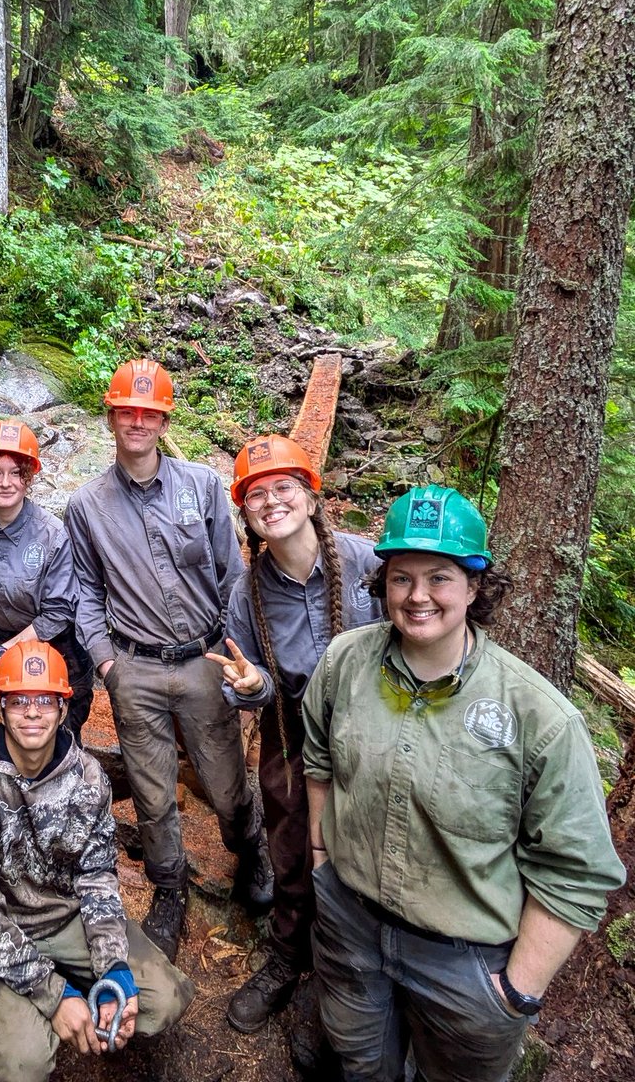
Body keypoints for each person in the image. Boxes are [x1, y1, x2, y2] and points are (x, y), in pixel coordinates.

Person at [300, 484, 626, 1082]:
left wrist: (516, 993)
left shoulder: (539, 718)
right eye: (401, 578)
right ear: (383, 584)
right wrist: (322, 858)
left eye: (440, 577)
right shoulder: (344, 662)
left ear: (475, 587)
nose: (418, 596)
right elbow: (319, 757)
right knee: (360, 1062)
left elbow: (575, 872)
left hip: (466, 961)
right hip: (349, 921)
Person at [65, 358, 272, 963]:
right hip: (136, 669)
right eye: (127, 411)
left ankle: (249, 845)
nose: (137, 421)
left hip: (206, 658)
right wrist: (106, 665)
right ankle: (168, 889)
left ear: (162, 421)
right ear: (112, 417)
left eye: (148, 413)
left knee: (226, 780)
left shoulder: (202, 486)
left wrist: (241, 655)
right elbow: (84, 590)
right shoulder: (87, 505)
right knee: (153, 796)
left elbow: (233, 575)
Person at [0, 641, 194, 1082]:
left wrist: (113, 967)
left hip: (70, 920)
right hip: (3, 931)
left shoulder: (88, 779)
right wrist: (55, 997)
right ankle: (5, 1010)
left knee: (164, 999)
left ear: (61, 707)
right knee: (22, 1066)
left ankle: (87, 990)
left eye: (44, 700)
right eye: (20, 700)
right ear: (0, 707)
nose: (32, 712)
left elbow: (96, 879)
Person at [206, 434, 381, 1034]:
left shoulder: (368, 564)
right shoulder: (245, 594)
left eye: (284, 488)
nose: (271, 501)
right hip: (292, 739)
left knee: (365, 862)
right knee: (291, 855)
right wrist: (253, 686)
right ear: (245, 513)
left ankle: (342, 978)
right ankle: (287, 957)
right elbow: (245, 690)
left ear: (311, 498)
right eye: (256, 494)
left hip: (374, 742)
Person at [0, 419, 93, 753]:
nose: (4, 483)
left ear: (28, 479)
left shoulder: (52, 534)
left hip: (54, 641)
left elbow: (56, 613)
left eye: (16, 473)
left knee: (61, 728)